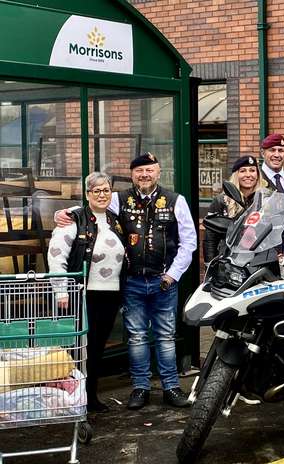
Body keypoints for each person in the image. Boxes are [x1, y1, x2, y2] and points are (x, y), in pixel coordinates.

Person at [57, 153, 198, 409]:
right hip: (132, 281)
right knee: (136, 337)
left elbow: (189, 243)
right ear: (132, 174)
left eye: (149, 170)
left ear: (159, 172)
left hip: (164, 280)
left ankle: (171, 387)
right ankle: (140, 388)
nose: (144, 175)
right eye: (139, 171)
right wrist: (63, 213)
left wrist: (172, 274)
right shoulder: (118, 199)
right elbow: (90, 209)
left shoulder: (177, 201)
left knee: (166, 336)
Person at [48, 172, 125, 413]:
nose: (102, 195)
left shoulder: (115, 220)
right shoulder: (73, 219)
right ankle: (73, 399)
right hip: (82, 294)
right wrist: (61, 290)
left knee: (97, 347)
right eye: (96, 191)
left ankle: (90, 397)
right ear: (87, 194)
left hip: (110, 294)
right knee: (78, 349)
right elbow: (56, 256)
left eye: (106, 190)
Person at [203, 154, 265, 264]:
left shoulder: (265, 200)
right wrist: (210, 264)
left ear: (258, 174)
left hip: (258, 259)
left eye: (252, 170)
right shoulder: (221, 200)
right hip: (228, 260)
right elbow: (210, 238)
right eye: (243, 171)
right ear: (236, 175)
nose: (248, 175)